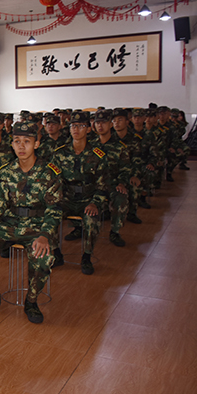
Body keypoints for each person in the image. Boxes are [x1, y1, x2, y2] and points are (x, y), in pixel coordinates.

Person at [0, 122, 62, 323]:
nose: (21, 146)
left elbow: (54, 209)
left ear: (37, 144)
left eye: (27, 141)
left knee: (43, 257)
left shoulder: (49, 172)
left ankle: (31, 301)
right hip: (10, 225)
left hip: (37, 227)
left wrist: (45, 235)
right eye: (17, 141)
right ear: (12, 145)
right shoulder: (5, 172)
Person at [51, 111, 107, 274]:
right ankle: (56, 253)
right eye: (73, 126)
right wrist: (54, 200)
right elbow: (53, 181)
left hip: (88, 200)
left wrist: (95, 203)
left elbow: (103, 185)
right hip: (66, 199)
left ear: (88, 129)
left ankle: (86, 257)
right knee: (50, 215)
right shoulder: (60, 153)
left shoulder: (97, 155)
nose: (76, 129)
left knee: (91, 219)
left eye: (81, 126)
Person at [91, 109, 132, 247]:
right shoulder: (90, 145)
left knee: (120, 197)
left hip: (112, 184)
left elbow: (125, 169)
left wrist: (121, 183)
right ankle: (79, 228)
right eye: (97, 122)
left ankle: (115, 231)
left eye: (104, 122)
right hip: (93, 185)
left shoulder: (120, 147)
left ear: (110, 125)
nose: (100, 125)